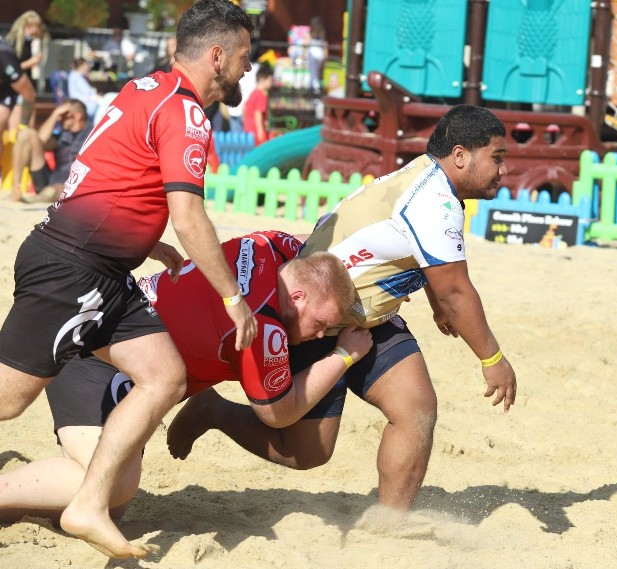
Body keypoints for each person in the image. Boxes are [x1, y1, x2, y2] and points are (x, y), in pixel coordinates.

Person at [167, 104, 518, 514]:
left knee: (416, 407)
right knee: (307, 453)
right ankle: (214, 410)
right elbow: (457, 292)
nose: (503, 170)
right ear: (460, 155)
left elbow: (415, 258)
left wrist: (434, 300)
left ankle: (390, 524)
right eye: (497, 157)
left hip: (367, 315)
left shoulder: (425, 177)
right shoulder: (435, 202)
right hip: (316, 318)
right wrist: (492, 358)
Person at [0, 0, 256, 559]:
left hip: (99, 269)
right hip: (73, 269)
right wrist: (234, 297)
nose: (247, 69)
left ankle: (89, 504)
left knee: (162, 376)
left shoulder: (143, 88)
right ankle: (89, 501)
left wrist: (147, 241)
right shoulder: (186, 114)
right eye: (243, 57)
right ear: (216, 56)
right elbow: (190, 215)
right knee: (8, 400)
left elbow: (107, 172)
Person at [0, 230, 373, 525]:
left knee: (111, 510)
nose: (321, 334)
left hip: (117, 338)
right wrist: (343, 356)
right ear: (298, 296)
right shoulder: (261, 325)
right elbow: (279, 414)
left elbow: (320, 256)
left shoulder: (273, 244)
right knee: (108, 486)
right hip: (103, 362)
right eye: (321, 324)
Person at [9, 98, 93, 203]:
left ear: (78, 116)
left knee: (50, 192)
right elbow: (41, 140)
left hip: (75, 185)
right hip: (51, 181)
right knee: (28, 134)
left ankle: (30, 201)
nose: (60, 119)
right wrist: (55, 114)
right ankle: (16, 187)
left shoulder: (93, 134)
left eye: (64, 115)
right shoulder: (62, 135)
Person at [5, 11, 44, 130]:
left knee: (29, 123)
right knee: (16, 125)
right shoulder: (11, 44)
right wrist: (31, 62)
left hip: (28, 87)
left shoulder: (30, 43)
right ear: (24, 26)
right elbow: (9, 68)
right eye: (32, 30)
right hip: (16, 89)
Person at [242, 63, 273, 144]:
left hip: (248, 129)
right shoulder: (262, 95)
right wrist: (261, 132)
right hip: (256, 131)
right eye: (270, 80)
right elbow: (258, 113)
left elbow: (244, 109)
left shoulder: (254, 93)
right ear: (262, 79)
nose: (271, 83)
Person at [306, 16, 327, 94]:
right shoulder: (322, 31)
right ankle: (315, 86)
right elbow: (325, 44)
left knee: (313, 71)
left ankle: (314, 88)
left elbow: (306, 43)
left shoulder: (311, 32)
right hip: (320, 54)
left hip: (314, 53)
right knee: (316, 72)